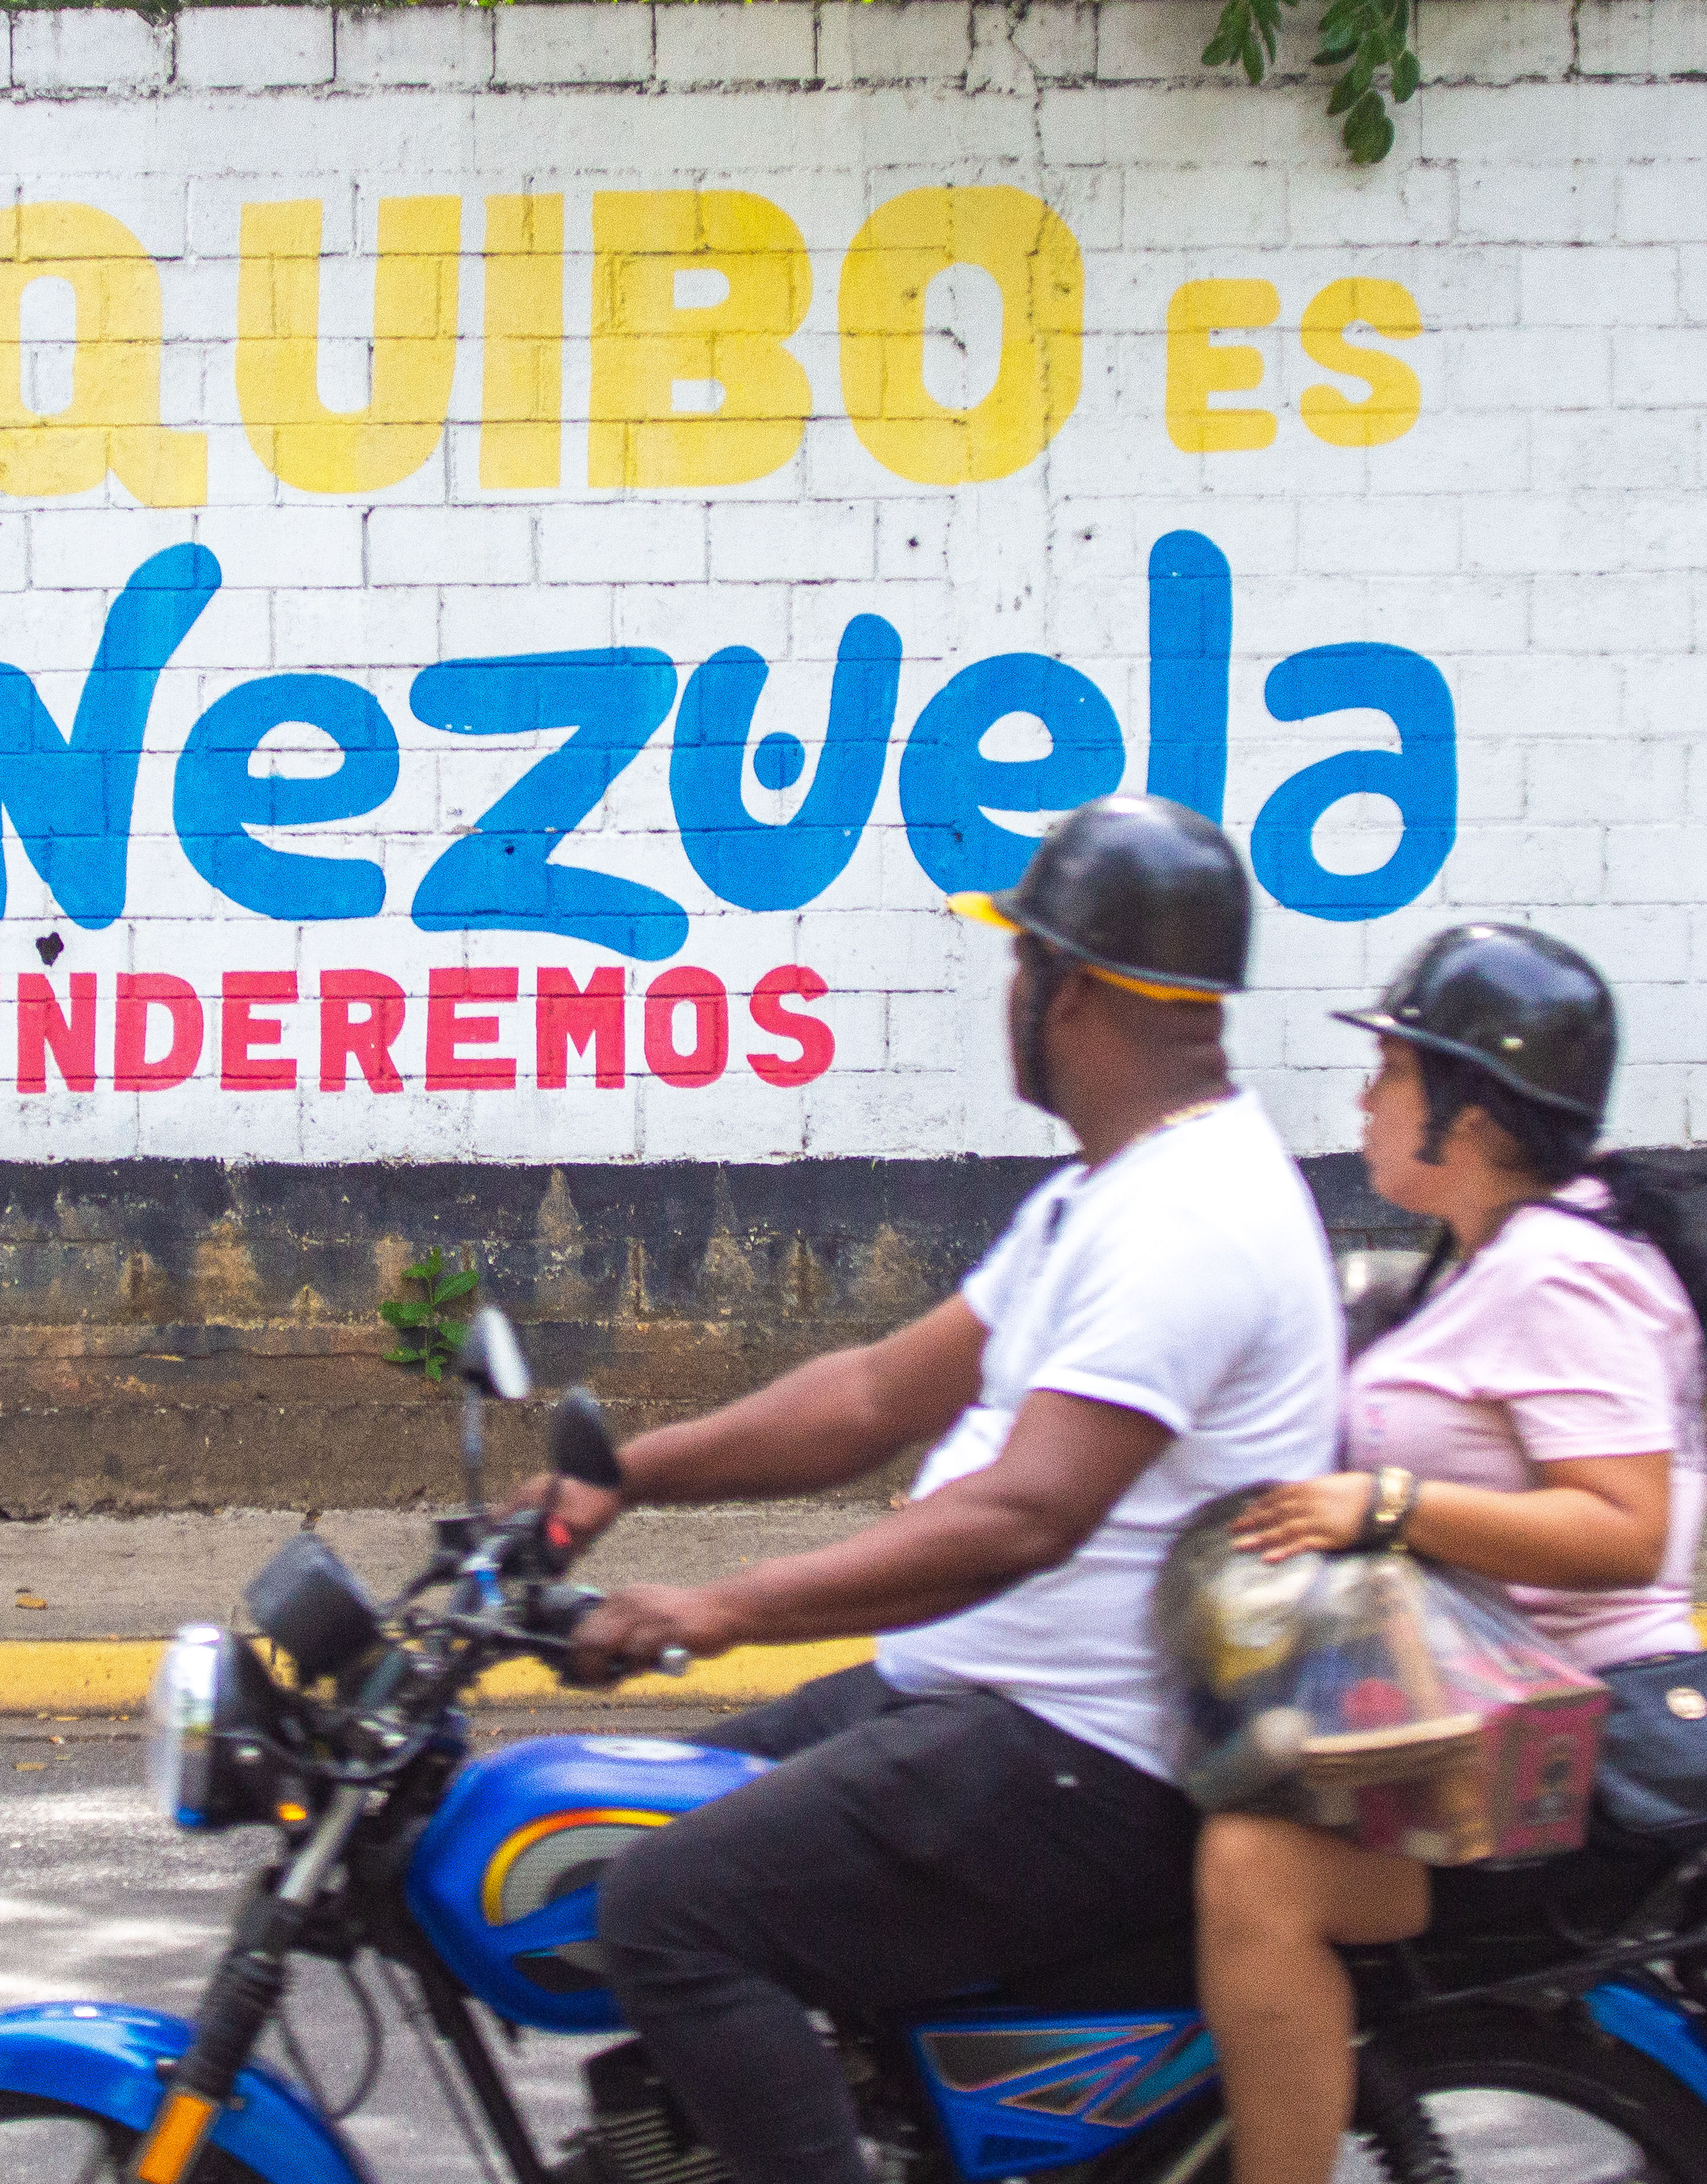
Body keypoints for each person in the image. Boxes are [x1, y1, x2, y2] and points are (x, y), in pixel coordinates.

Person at [542, 792, 1344, 2184]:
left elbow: (1023, 1516)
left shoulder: (1188, 1218)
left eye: (1016, 965)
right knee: (622, 1814)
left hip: (1086, 1759)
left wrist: (715, 1609)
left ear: (1068, 988)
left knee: (669, 1911)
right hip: (976, 1709)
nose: (1006, 996)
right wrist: (614, 1477)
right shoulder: (1104, 1195)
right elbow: (871, 1398)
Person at [1195, 922, 1707, 2184]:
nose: (1362, 1097)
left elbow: (1621, 1527)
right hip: (1469, 1716)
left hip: (1553, 1754)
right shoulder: (1492, 1257)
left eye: (1391, 1072)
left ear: (1467, 1111)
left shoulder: (1555, 1269)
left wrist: (1378, 1503)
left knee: (1252, 1869)